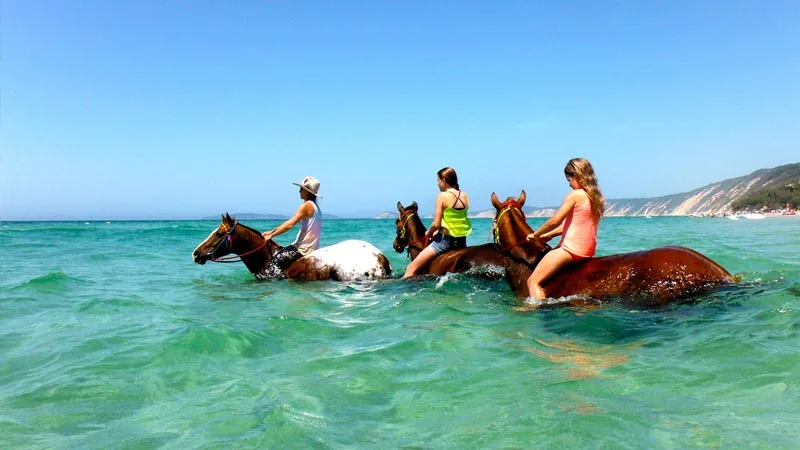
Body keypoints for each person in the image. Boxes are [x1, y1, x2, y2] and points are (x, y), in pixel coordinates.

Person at [525, 158, 604, 299]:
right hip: (587, 250)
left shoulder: (575, 195)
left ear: (577, 175)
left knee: (533, 281)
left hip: (570, 250)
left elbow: (556, 220)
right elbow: (575, 225)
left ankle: (541, 312)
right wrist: (549, 235)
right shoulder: (596, 198)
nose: (569, 184)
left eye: (569, 180)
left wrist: (535, 235)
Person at [402, 167, 472, 278]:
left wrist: (429, 232)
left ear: (444, 180)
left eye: (438, 181)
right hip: (461, 241)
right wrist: (438, 231)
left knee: (411, 269)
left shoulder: (442, 197)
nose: (437, 184)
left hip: (445, 242)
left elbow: (436, 224)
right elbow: (455, 219)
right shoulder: (465, 196)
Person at [261, 176, 323, 278]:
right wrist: (271, 232)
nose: (299, 191)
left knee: (273, 263)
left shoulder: (307, 205)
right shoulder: (316, 207)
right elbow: (289, 222)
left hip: (303, 249)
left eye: (301, 189)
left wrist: (271, 236)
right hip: (314, 248)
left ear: (307, 192)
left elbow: (290, 224)